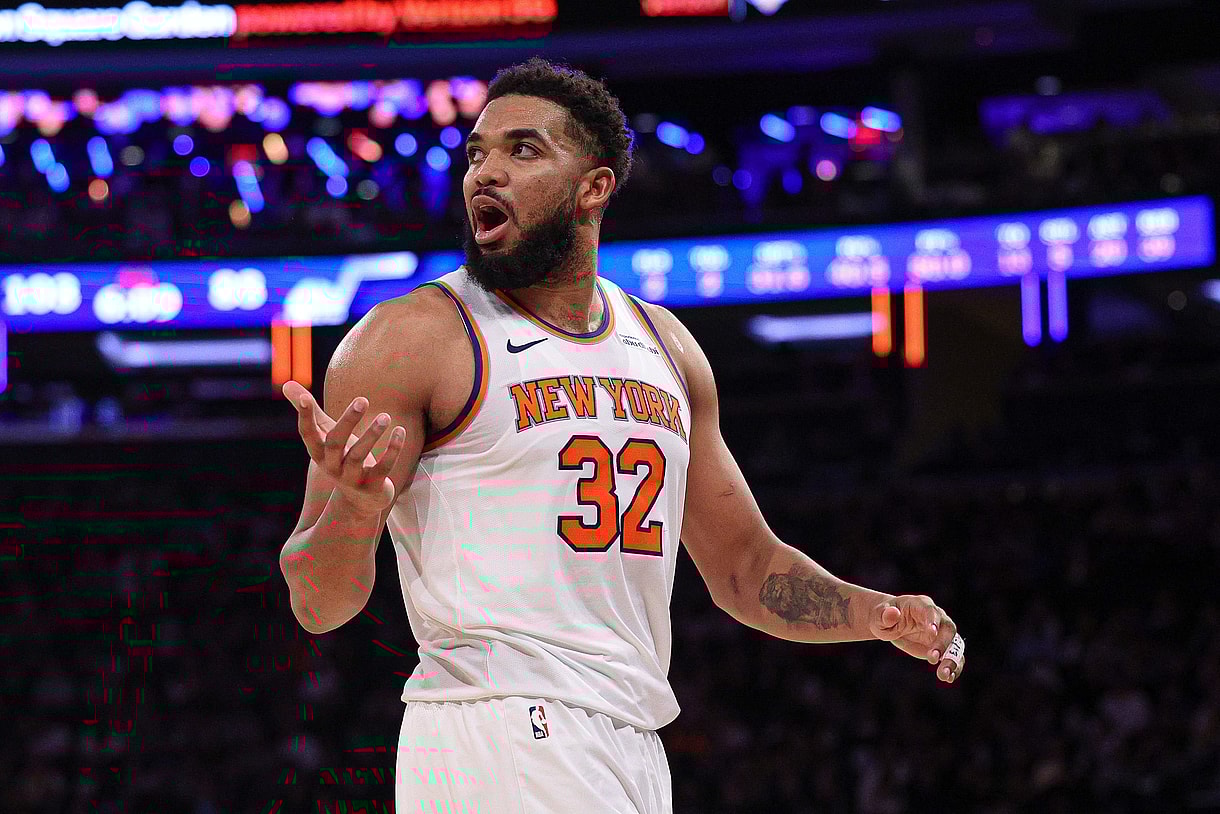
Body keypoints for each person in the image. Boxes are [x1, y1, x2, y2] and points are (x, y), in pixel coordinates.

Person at [279, 57, 966, 814]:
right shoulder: (411, 338)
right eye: (477, 153)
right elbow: (318, 603)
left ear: (595, 187)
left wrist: (874, 613)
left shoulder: (665, 347)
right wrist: (350, 509)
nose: (487, 173)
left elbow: (743, 567)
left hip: (630, 736)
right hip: (500, 721)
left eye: (523, 150)